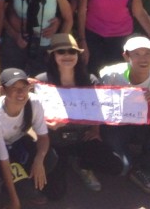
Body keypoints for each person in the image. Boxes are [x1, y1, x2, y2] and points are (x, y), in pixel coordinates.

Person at [34, 33, 123, 193]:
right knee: (55, 193)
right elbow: (31, 116)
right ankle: (63, 162)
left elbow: (98, 108)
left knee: (116, 166)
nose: (67, 56)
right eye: (61, 52)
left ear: (78, 55)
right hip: (53, 141)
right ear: (53, 55)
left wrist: (95, 130)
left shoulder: (90, 80)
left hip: (82, 138)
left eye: (72, 52)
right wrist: (47, 125)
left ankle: (82, 164)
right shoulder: (41, 81)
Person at [98, 36, 150, 195]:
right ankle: (129, 161)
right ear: (126, 56)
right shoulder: (111, 75)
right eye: (137, 54)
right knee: (123, 168)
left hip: (146, 126)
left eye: (148, 53)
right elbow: (98, 109)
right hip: (117, 127)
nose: (143, 59)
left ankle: (145, 169)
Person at [0, 68, 63, 208]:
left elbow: (43, 137)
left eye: (24, 87)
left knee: (50, 157)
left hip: (19, 143)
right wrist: (15, 202)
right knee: (25, 190)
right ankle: (11, 189)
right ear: (2, 90)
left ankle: (29, 179)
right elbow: (3, 160)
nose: (21, 93)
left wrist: (38, 160)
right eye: (14, 88)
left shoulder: (34, 102)